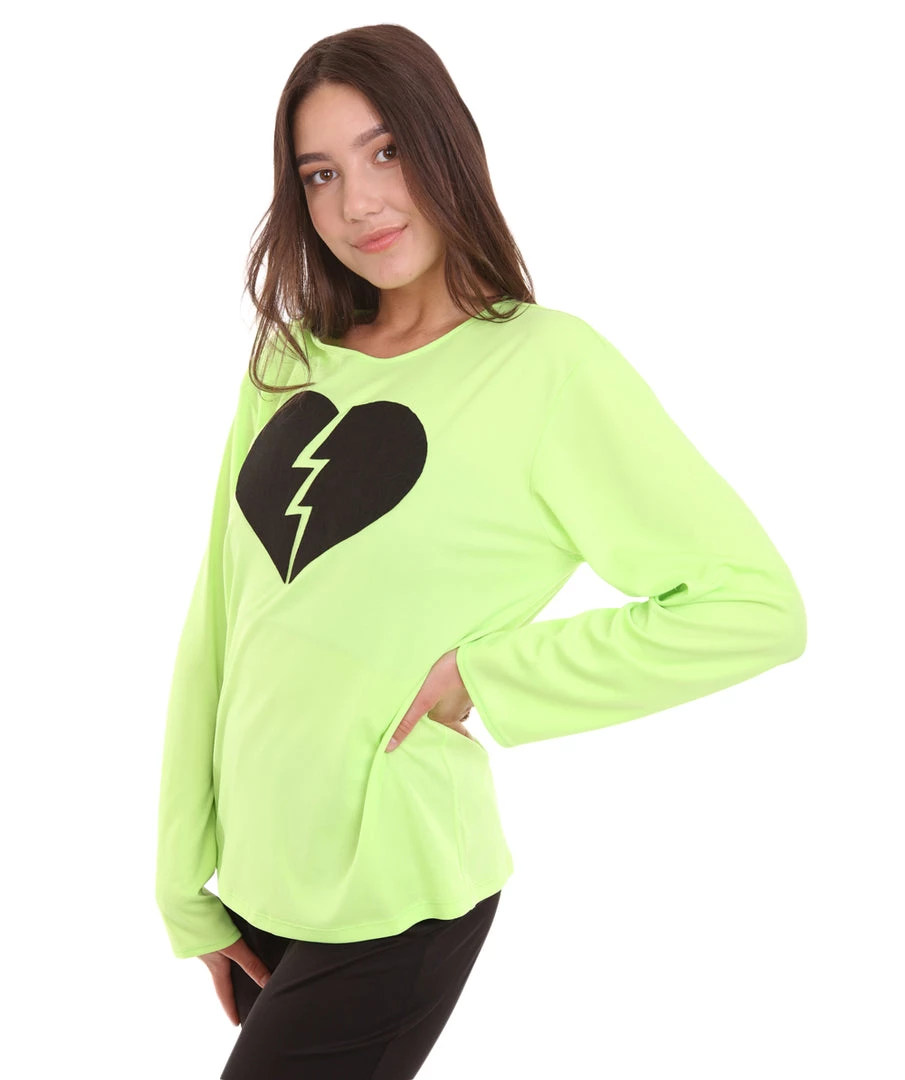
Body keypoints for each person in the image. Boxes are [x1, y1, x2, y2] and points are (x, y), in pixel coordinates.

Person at [154, 22, 807, 1080]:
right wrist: (185, 882)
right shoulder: (289, 359)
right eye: (320, 174)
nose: (358, 203)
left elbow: (752, 605)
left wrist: (487, 674)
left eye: (385, 152)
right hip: (263, 879)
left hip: (397, 890)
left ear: (444, 144)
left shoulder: (547, 369)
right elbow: (220, 621)